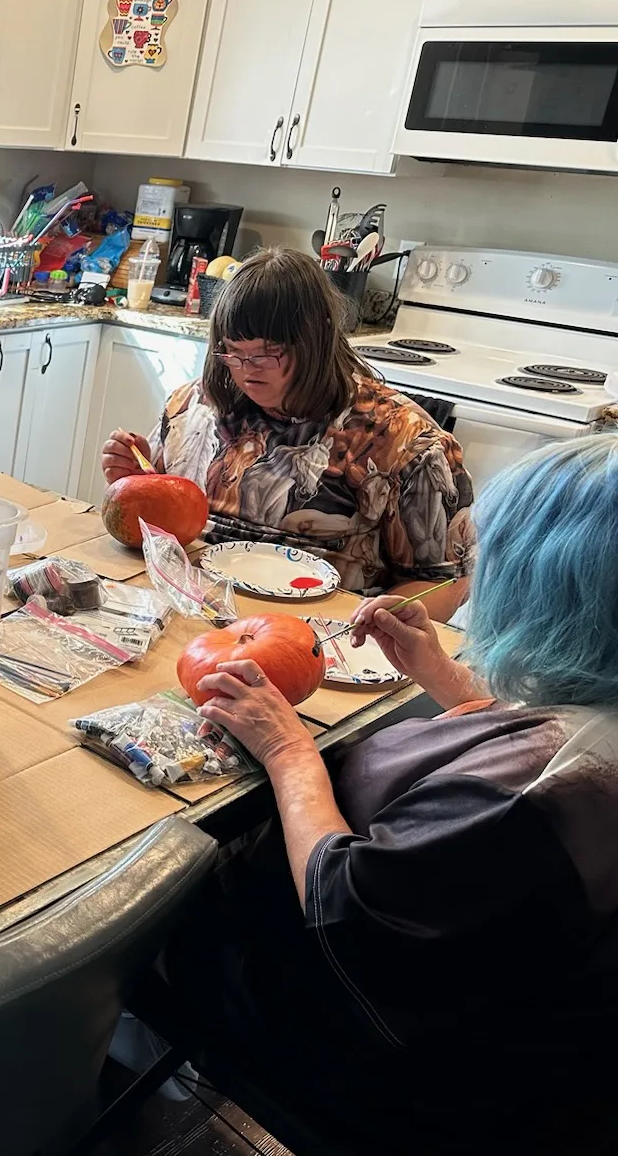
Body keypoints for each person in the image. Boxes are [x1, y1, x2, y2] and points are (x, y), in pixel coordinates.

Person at [145, 434, 618, 1153]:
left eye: (487, 560)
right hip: (525, 1032)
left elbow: (346, 906)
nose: (475, 573)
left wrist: (286, 748)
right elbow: (535, 738)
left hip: (401, 1069)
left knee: (134, 896)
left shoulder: (541, 801)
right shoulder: (594, 729)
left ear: (560, 593)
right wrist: (446, 679)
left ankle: (110, 1051)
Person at [101, 247, 473, 621]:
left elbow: (444, 583)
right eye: (232, 352)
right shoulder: (192, 407)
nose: (247, 370)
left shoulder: (403, 440)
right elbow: (159, 532)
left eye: (267, 353)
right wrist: (134, 484)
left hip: (316, 634)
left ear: (316, 341)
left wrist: (374, 629)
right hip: (187, 610)